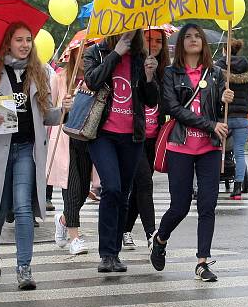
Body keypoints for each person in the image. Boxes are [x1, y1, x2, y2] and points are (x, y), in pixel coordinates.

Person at [0, 22, 71, 290]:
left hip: (27, 148)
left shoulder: (39, 73)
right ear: (8, 43)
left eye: (29, 39)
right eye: (19, 40)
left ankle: (24, 268)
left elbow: (47, 114)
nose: (25, 44)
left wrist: (64, 110)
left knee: (24, 208)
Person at [149, 23, 234, 282]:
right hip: (181, 147)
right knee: (180, 206)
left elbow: (220, 114)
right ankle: (160, 239)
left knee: (208, 205)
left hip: (209, 148)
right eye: (189, 36)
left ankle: (202, 262)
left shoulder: (217, 73)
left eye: (198, 36)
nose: (194, 40)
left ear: (204, 43)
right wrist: (210, 124)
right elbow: (173, 108)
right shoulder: (170, 74)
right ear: (182, 43)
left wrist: (225, 98)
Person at [84, 29, 159, 272]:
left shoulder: (140, 57)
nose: (129, 30)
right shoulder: (96, 52)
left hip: (132, 135)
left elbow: (151, 100)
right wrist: (115, 54)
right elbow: (92, 81)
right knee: (112, 188)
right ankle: (106, 253)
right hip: (102, 133)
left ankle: (114, 253)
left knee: (124, 193)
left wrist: (149, 76)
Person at [122, 25, 171, 249]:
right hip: (134, 136)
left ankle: (125, 228)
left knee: (139, 187)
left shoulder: (166, 73)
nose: (154, 44)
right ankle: (152, 234)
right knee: (144, 182)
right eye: (149, 39)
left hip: (155, 138)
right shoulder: (133, 66)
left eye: (159, 41)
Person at [51, 39, 101, 255]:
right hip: (65, 140)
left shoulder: (97, 79)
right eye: (80, 53)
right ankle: (74, 237)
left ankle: (63, 219)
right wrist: (63, 107)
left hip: (87, 139)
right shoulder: (60, 78)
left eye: (88, 53)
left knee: (82, 191)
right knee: (71, 188)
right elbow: (49, 111)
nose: (83, 57)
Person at [215, 37, 248, 200]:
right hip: (241, 118)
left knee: (216, 150)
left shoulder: (219, 68)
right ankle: (237, 187)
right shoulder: (247, 70)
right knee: (239, 152)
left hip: (223, 117)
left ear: (225, 50)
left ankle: (213, 179)